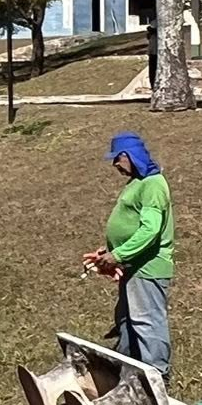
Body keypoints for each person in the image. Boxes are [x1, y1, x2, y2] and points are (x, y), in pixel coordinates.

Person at [83, 131, 173, 379]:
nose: (114, 165)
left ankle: (157, 378)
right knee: (126, 321)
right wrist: (110, 252)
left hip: (149, 267)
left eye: (117, 158)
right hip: (132, 265)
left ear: (129, 156)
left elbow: (151, 230)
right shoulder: (138, 182)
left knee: (147, 323)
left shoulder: (153, 184)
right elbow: (132, 223)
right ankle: (127, 373)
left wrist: (118, 255)